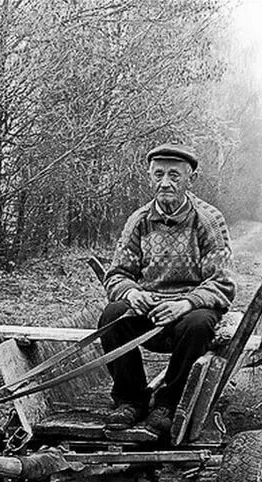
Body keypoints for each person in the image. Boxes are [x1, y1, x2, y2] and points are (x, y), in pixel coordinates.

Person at [100, 143, 235, 439]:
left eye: (174, 175)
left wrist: (186, 303)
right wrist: (132, 293)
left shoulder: (208, 220)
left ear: (191, 179)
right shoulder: (138, 221)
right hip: (150, 309)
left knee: (198, 324)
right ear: (149, 177)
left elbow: (222, 283)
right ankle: (130, 400)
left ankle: (168, 405)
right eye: (158, 174)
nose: (165, 182)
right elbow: (117, 275)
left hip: (190, 310)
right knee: (112, 316)